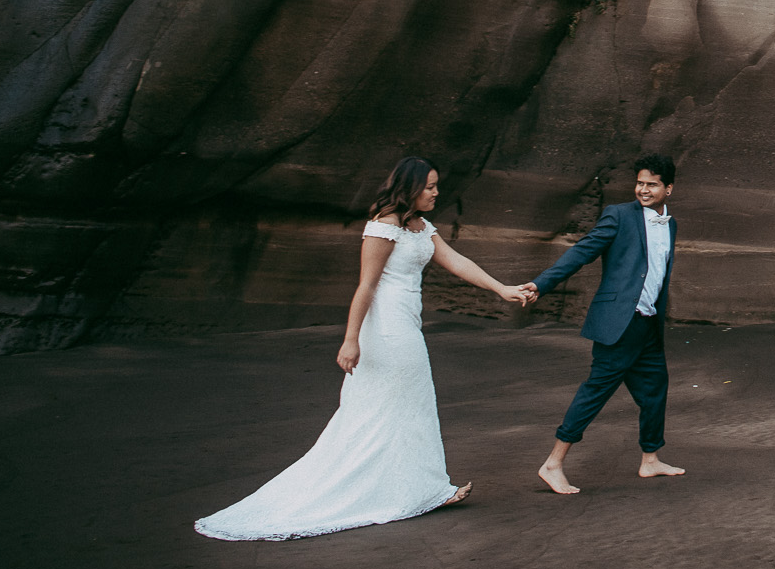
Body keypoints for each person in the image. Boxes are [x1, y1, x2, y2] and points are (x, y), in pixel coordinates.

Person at [195, 158, 531, 540]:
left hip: (406, 323)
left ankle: (423, 489)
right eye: (430, 187)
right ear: (410, 188)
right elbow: (366, 286)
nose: (437, 193)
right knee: (393, 405)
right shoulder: (384, 227)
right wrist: (351, 339)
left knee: (410, 404)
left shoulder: (421, 226)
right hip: (386, 328)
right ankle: (419, 489)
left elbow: (455, 260)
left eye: (437, 186)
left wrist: (502, 288)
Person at [518, 154, 685, 493]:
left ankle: (650, 460)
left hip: (649, 323)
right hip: (619, 323)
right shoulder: (619, 215)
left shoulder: (671, 224)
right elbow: (583, 251)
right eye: (640, 183)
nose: (643, 189)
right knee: (596, 391)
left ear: (668, 188)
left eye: (652, 184)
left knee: (655, 391)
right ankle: (553, 464)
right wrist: (542, 283)